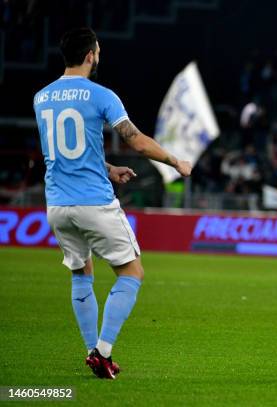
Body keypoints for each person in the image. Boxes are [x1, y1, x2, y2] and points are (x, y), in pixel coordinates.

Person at [32, 27, 192, 379]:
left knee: (81, 273)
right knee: (131, 272)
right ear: (91, 55)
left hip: (57, 204)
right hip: (94, 203)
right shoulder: (102, 95)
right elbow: (136, 141)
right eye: (98, 50)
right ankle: (103, 351)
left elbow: (61, 152)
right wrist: (175, 161)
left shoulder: (41, 98)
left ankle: (93, 351)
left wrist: (107, 168)